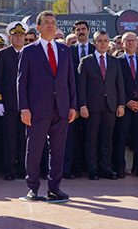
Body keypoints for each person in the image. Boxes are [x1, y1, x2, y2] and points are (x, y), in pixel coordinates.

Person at [18, 11, 77, 202]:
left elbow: (70, 80)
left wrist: (72, 105)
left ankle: (54, 188)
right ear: (38, 27)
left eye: (53, 22)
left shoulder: (64, 50)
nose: (51, 25)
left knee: (58, 150)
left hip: (61, 107)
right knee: (34, 149)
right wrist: (24, 108)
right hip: (37, 109)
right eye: (46, 23)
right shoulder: (29, 51)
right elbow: (21, 82)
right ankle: (32, 187)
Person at [78, 30, 125, 180]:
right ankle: (93, 169)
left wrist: (121, 105)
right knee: (91, 139)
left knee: (107, 139)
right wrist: (83, 105)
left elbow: (120, 86)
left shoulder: (114, 61)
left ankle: (106, 168)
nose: (103, 44)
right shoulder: (86, 61)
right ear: (94, 43)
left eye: (105, 41)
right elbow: (81, 86)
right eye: (100, 41)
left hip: (110, 106)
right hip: (92, 107)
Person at [114, 32, 138, 178]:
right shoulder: (117, 61)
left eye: (133, 40)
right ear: (122, 44)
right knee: (121, 138)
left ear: (137, 43)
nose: (130, 43)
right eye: (127, 41)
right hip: (125, 106)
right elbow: (117, 85)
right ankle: (120, 168)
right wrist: (127, 101)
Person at [0, 22, 28, 180]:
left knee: (24, 138)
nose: (19, 38)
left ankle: (23, 168)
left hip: (26, 104)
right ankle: (9, 169)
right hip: (8, 103)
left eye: (21, 35)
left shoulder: (29, 53)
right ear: (10, 37)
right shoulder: (3, 54)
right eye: (16, 35)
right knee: (9, 138)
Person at [64, 20, 95, 179]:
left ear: (89, 31)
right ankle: (71, 169)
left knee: (90, 136)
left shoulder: (96, 50)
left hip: (92, 102)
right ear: (74, 32)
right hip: (73, 101)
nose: (81, 32)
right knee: (72, 137)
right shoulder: (68, 51)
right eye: (78, 30)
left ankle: (89, 168)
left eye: (83, 29)